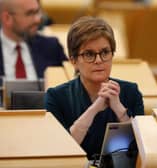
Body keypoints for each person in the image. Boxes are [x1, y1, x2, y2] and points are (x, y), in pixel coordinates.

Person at [45, 16, 144, 159]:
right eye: (89, 54)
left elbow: (142, 148)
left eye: (105, 52)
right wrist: (94, 109)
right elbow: (61, 152)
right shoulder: (56, 96)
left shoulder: (131, 92)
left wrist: (119, 109)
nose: (98, 61)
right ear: (73, 61)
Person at [0, 0, 67, 80]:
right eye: (30, 13)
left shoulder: (51, 47)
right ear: (7, 18)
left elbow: (71, 84)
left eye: (38, 12)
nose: (37, 20)